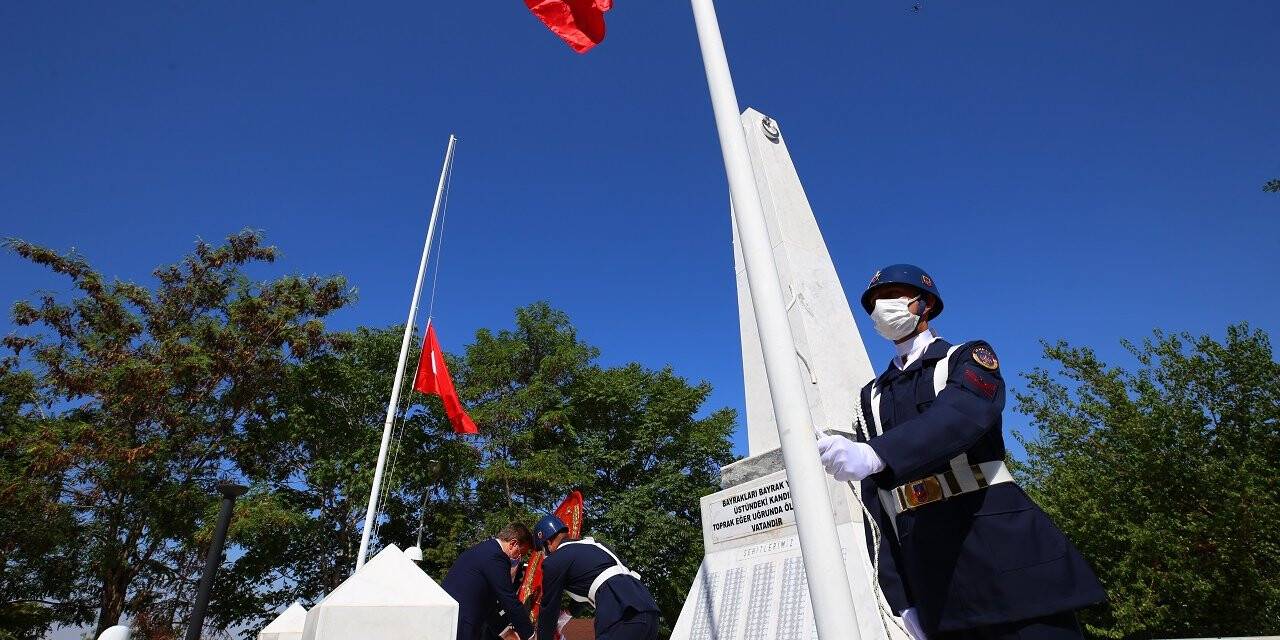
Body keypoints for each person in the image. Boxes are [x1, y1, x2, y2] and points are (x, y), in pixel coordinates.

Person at [816, 264, 1105, 640]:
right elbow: (879, 507)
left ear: (925, 304)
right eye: (874, 302)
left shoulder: (966, 358)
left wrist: (875, 453)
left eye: (892, 296)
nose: (881, 308)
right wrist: (901, 598)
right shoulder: (871, 396)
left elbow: (962, 414)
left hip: (1006, 557)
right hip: (937, 586)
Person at [532, 515, 660, 640]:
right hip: (648, 610)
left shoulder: (554, 561)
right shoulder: (596, 545)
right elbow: (595, 582)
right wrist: (567, 614)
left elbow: (549, 608)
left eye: (542, 550)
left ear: (548, 543)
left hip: (621, 612)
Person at [442, 522, 536, 640]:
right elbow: (508, 599)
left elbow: (488, 603)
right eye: (520, 553)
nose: (519, 558)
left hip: (452, 619)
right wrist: (530, 635)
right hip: (463, 624)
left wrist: (507, 633)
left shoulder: (485, 549)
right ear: (513, 543)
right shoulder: (497, 557)